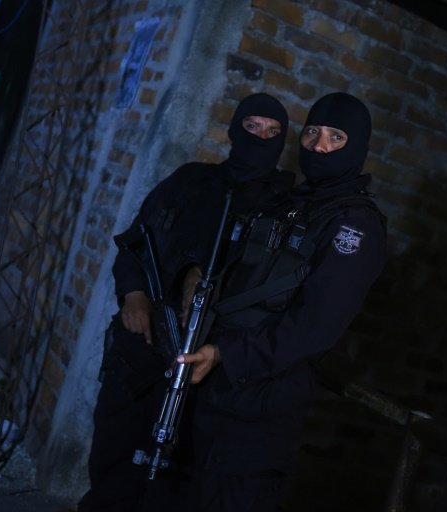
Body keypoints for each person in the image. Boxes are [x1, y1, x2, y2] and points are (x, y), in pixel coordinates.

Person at [78, 93, 294, 512]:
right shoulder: (192, 181)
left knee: (177, 481)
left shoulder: (279, 208)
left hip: (208, 364)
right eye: (252, 128)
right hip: (145, 349)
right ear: (235, 129)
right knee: (116, 461)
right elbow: (136, 243)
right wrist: (135, 295)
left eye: (272, 132)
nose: (260, 138)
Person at [177, 92, 387, 511]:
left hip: (263, 398)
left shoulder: (354, 225)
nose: (319, 146)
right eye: (312, 133)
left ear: (357, 147)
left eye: (336, 138)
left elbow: (314, 327)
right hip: (216, 381)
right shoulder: (289, 204)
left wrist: (225, 353)